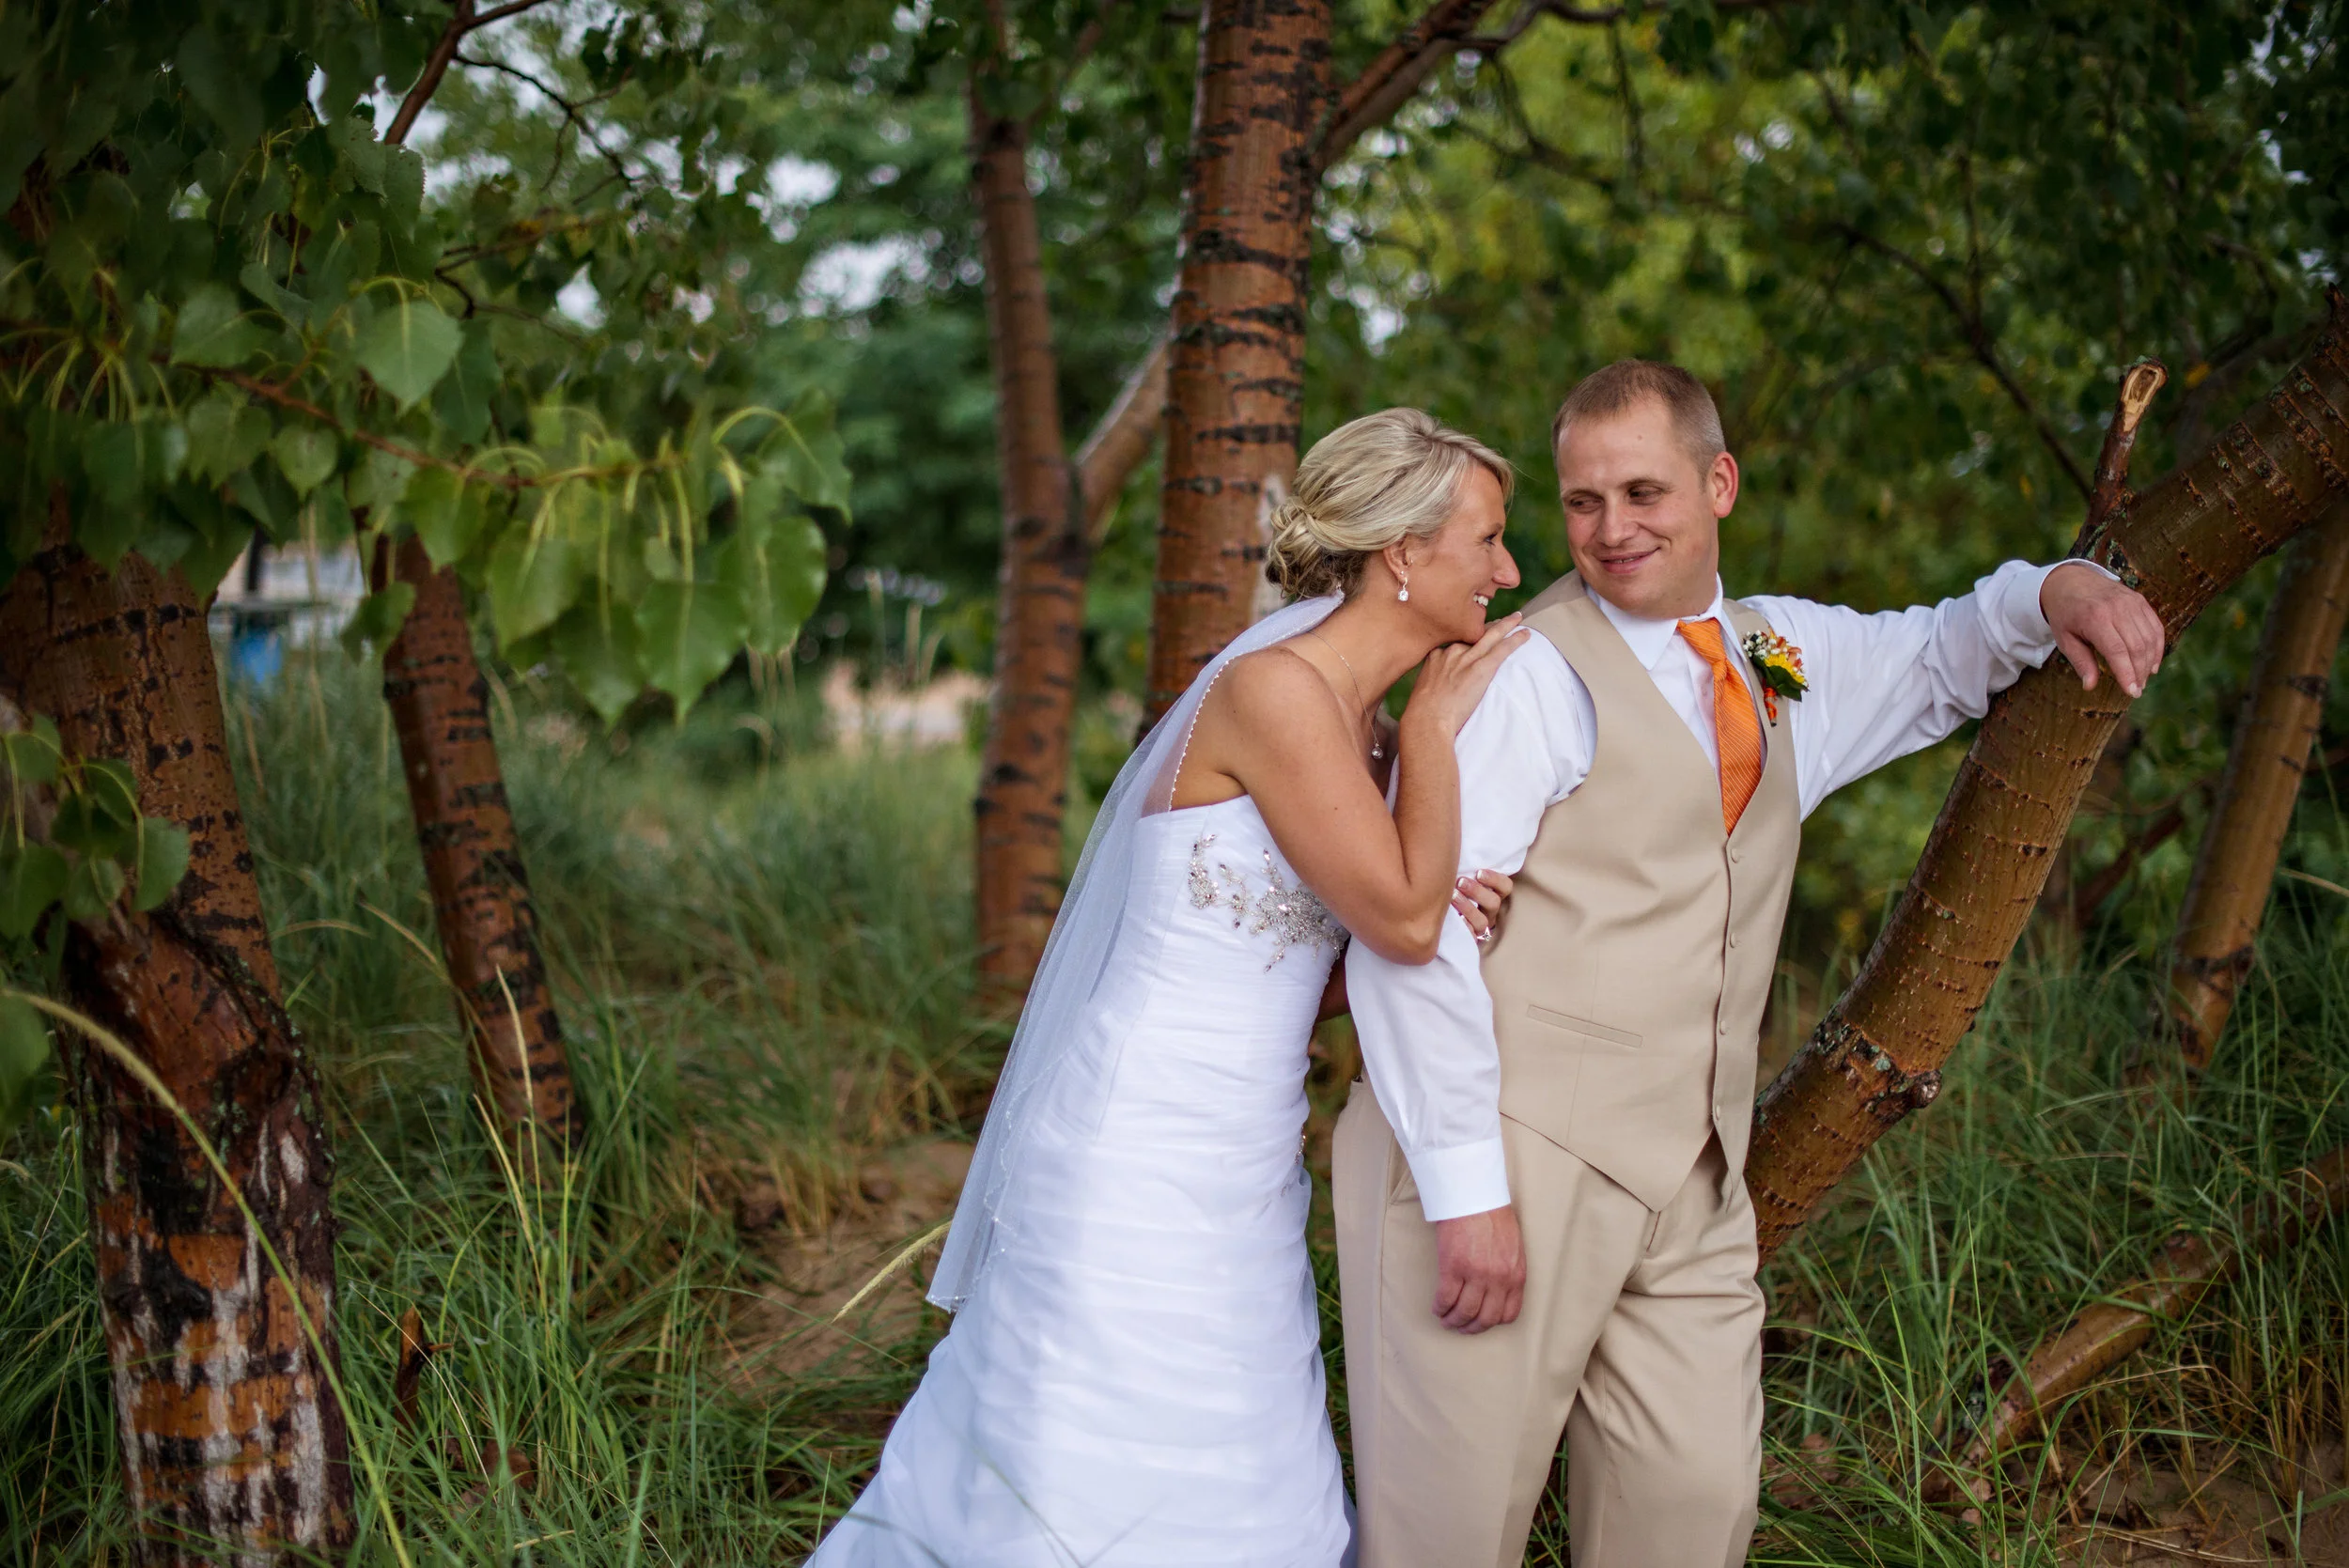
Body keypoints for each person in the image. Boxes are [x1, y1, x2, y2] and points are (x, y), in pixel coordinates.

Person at [1334, 359, 2169, 1568]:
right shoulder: (1525, 675)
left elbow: (1935, 656)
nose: (1611, 529)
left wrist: (2055, 589)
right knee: (1446, 1541)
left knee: (1691, 1514)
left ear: (1717, 482)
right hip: (1506, 1164)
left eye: (1643, 491)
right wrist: (1469, 1195)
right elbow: (1413, 944)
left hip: (1694, 1177)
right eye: (1581, 502)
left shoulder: (1768, 655)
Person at [808, 408, 1530, 1567]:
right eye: (1489, 538)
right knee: (1086, 1462)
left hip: (1242, 1157)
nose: (1506, 568)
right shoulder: (1279, 693)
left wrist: (1455, 910)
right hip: (1133, 1143)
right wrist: (1441, 750)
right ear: (1404, 551)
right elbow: (1392, 918)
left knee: (1238, 1472)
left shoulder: (1372, 727)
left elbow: (1310, 966)